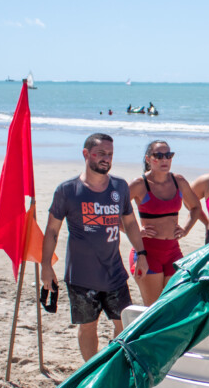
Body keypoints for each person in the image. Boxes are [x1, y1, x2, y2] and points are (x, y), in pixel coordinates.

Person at [41, 133, 148, 362]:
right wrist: (46, 266)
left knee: (124, 324)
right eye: (100, 153)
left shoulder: (120, 186)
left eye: (110, 154)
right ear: (86, 154)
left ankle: (112, 365)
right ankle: (91, 368)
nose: (106, 159)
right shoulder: (67, 190)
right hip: (81, 276)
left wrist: (141, 253)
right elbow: (52, 231)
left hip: (114, 272)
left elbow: (130, 223)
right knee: (88, 327)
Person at [127, 140, 203, 306]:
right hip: (147, 252)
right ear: (148, 159)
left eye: (168, 155)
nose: (164, 159)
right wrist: (137, 230)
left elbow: (196, 207)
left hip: (173, 251)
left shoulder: (178, 181)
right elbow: (116, 211)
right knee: (153, 307)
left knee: (173, 305)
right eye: (158, 155)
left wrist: (186, 229)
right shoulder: (139, 184)